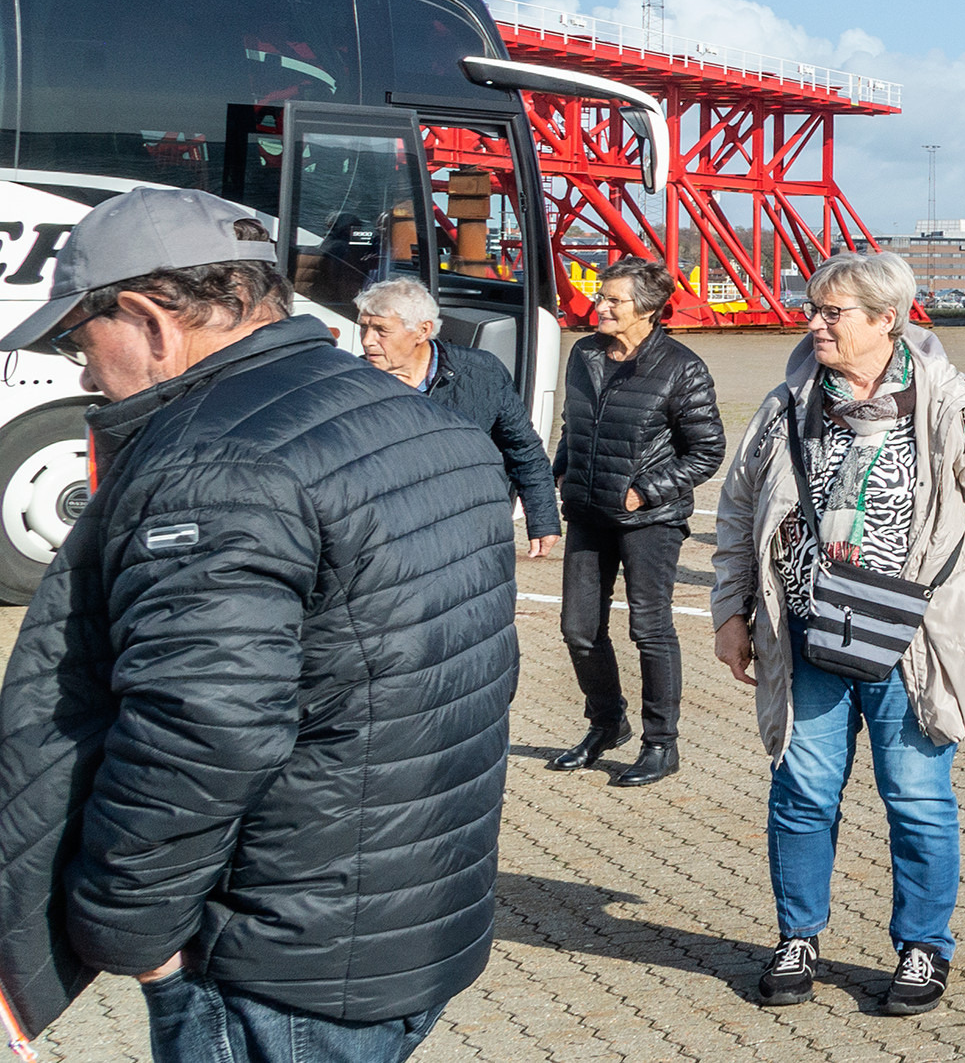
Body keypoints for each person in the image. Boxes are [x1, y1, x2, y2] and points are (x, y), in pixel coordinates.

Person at [0, 187, 518, 1063]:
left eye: (78, 339)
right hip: (409, 923)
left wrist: (131, 930)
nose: (84, 373)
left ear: (147, 317)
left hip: (276, 961)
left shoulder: (219, 460)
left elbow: (202, 728)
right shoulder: (417, 418)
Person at [711, 250, 965, 1019]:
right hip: (808, 632)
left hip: (912, 637)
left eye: (833, 311)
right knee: (801, 791)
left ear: (884, 319)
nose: (814, 322)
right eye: (815, 308)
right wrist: (732, 612)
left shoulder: (952, 401)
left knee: (917, 795)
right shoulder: (788, 403)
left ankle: (923, 947)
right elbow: (738, 511)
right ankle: (798, 937)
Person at [548, 259, 727, 788]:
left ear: (647, 310)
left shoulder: (682, 367)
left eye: (612, 301)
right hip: (587, 509)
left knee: (649, 628)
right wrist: (560, 472)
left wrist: (644, 490)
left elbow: (708, 449)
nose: (599, 306)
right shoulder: (583, 353)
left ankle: (660, 744)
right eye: (601, 298)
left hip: (649, 519)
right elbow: (572, 423)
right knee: (578, 629)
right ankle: (606, 725)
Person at [357, 274, 561, 562]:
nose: (368, 341)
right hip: (387, 540)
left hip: (469, 534)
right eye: (363, 328)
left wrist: (542, 518)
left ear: (422, 331)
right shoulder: (351, 384)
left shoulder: (482, 373)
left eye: (381, 330)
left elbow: (523, 449)